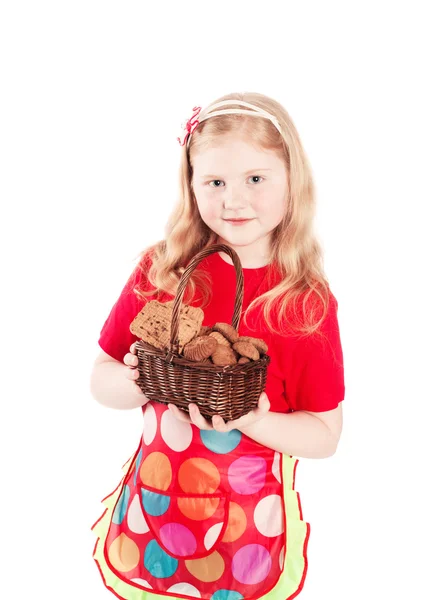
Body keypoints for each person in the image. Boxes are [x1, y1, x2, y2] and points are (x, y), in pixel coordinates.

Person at [90, 92, 345, 600]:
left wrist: (254, 420)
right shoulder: (164, 271)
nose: (234, 199)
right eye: (215, 182)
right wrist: (133, 377)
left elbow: (325, 436)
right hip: (156, 512)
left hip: (248, 533)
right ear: (191, 187)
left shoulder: (303, 305)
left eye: (256, 178)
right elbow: (101, 378)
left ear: (292, 180)